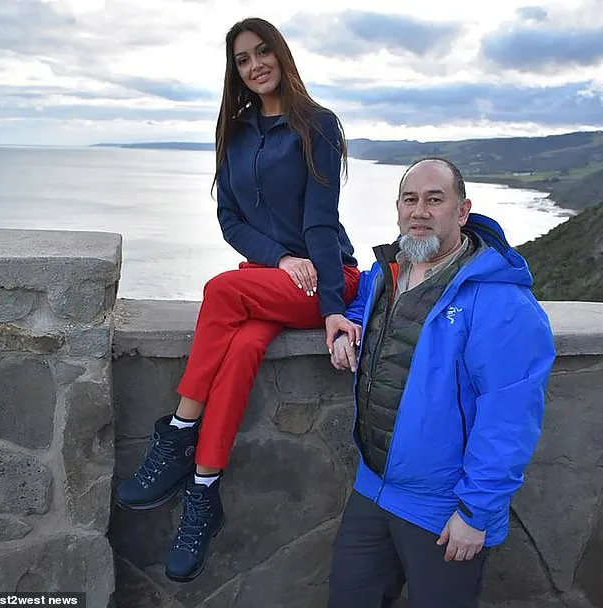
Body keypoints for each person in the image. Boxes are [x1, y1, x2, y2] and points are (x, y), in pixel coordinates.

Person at [115, 17, 361, 583]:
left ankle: (179, 431)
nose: (254, 65)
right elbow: (230, 219)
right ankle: (203, 489)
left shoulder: (318, 125)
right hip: (270, 278)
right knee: (243, 348)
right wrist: (278, 258)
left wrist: (331, 307)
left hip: (325, 277)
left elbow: (321, 222)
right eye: (242, 59)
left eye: (261, 51)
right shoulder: (235, 131)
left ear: (281, 54)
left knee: (220, 289)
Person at [326, 157, 555, 608]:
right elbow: (364, 300)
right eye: (410, 200)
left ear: (462, 211)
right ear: (397, 208)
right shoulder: (390, 270)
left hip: (444, 508)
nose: (419, 211)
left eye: (435, 200)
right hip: (373, 488)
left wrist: (476, 511)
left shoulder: (501, 303)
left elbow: (509, 418)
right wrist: (347, 325)